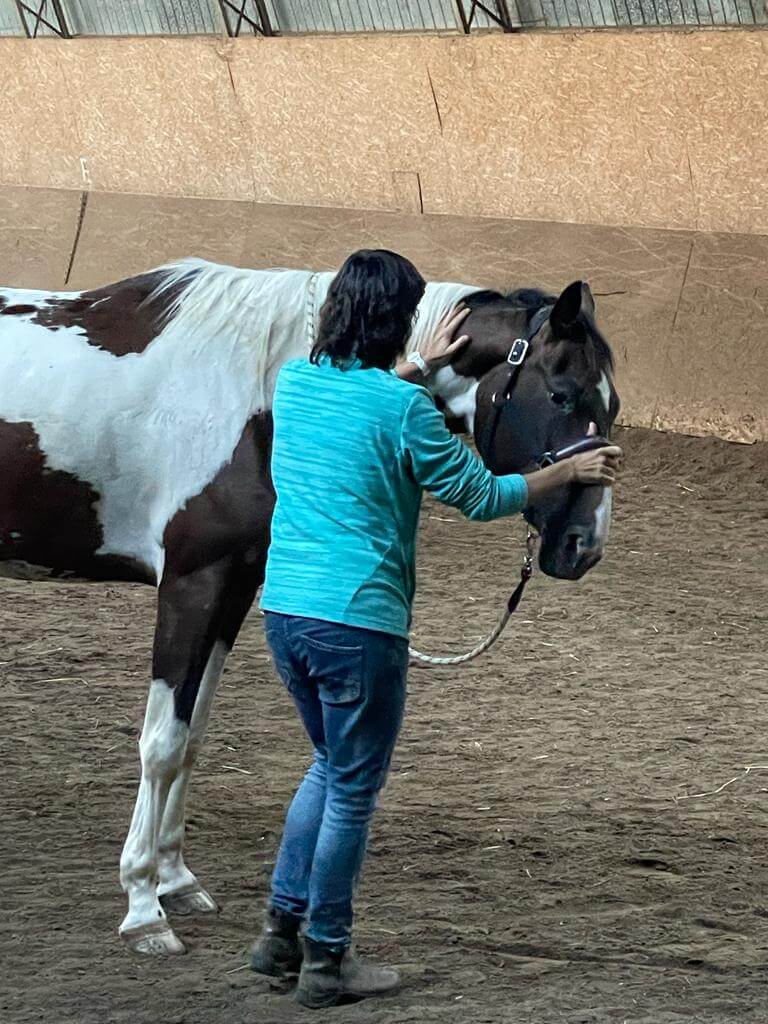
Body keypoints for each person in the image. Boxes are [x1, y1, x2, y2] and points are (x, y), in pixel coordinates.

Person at [250, 250, 621, 1008]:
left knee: (327, 768)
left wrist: (420, 368)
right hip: (359, 622)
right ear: (396, 321)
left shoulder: (296, 384)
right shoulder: (405, 412)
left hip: (286, 614)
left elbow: (368, 406)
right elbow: (482, 495)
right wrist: (567, 474)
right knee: (353, 788)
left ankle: (278, 934)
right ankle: (327, 957)